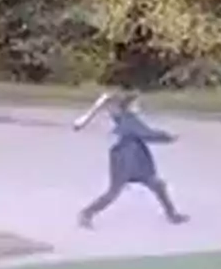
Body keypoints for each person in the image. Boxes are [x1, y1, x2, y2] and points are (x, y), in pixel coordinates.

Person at [74, 89, 189, 228]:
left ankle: (172, 214)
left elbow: (115, 110)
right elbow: (147, 134)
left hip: (136, 158)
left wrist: (106, 101)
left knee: (158, 185)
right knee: (113, 192)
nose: (139, 106)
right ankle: (86, 213)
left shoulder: (123, 116)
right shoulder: (128, 120)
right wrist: (168, 137)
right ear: (128, 106)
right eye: (136, 104)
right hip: (124, 160)